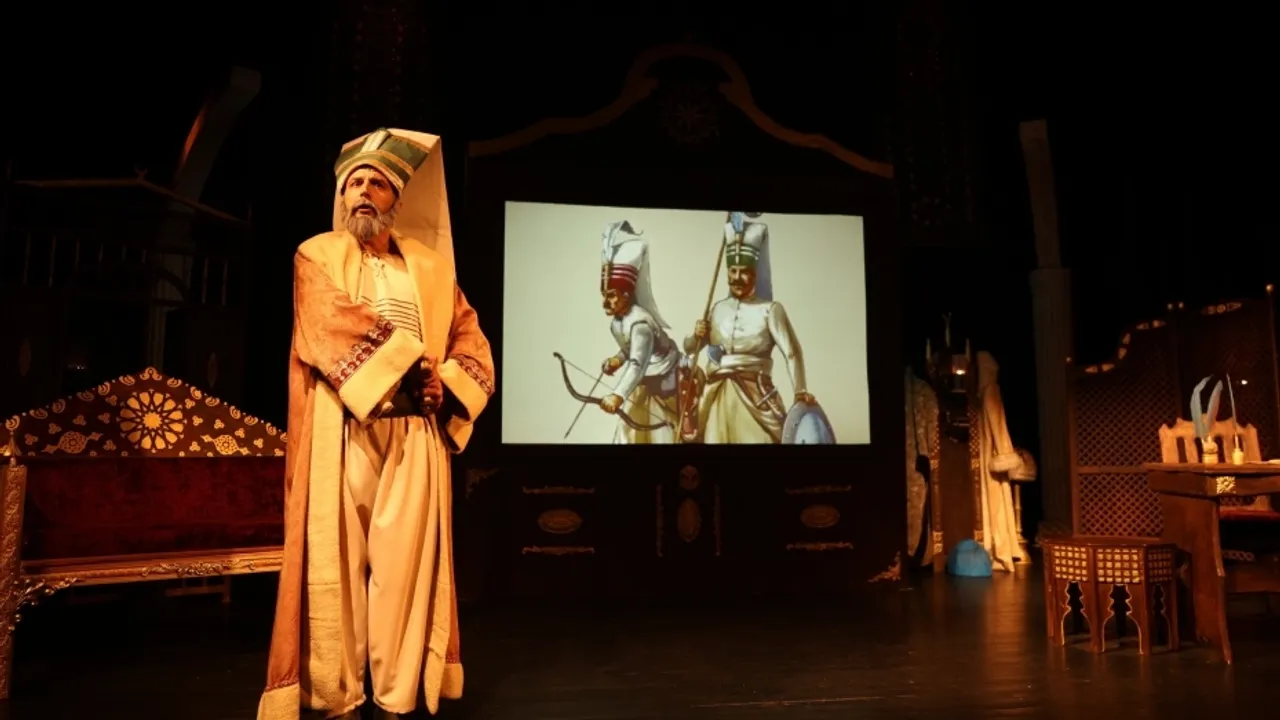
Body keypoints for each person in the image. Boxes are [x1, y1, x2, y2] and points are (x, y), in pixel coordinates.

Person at [256, 128, 494, 719]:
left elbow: (470, 340)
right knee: (338, 560)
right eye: (354, 183)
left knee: (403, 568)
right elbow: (327, 323)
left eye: (377, 183)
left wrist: (445, 384)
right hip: (343, 425)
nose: (363, 192)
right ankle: (338, 695)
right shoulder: (317, 255)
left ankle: (396, 697)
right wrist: (410, 365)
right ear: (342, 197)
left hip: (415, 431)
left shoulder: (431, 268)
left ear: (396, 199)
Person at [683, 213, 813, 444]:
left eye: (744, 271)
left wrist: (800, 391)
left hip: (756, 397)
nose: (737, 277)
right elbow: (690, 348)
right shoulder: (717, 309)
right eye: (733, 271)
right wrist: (696, 334)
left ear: (755, 273)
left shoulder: (771, 310)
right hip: (716, 395)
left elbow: (792, 352)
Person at [594, 221, 681, 443]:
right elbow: (630, 350)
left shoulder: (640, 324)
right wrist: (616, 360)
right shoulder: (617, 322)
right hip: (643, 379)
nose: (605, 302)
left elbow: (637, 363)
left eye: (611, 295)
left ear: (626, 295)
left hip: (665, 381)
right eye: (604, 294)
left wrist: (617, 395)